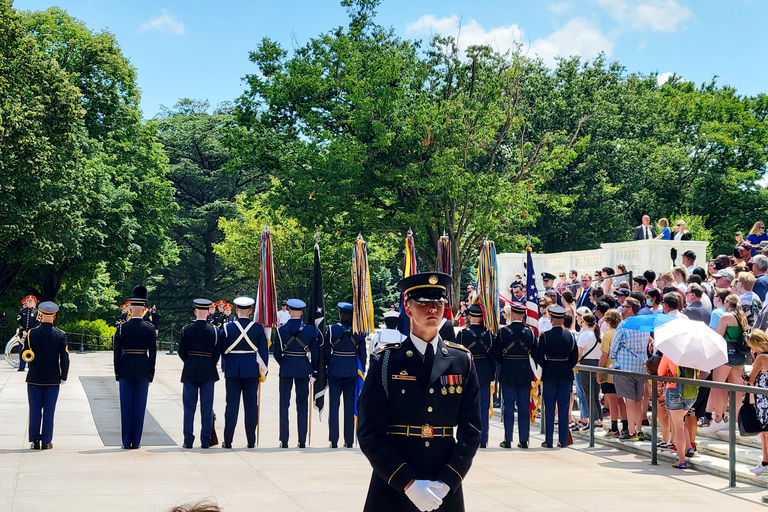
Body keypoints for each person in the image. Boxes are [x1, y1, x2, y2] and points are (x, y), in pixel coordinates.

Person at [357, 272, 481, 512]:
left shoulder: (461, 360)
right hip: (394, 482)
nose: (433, 308)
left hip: (442, 482)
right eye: (423, 302)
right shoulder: (386, 361)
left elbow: (472, 431)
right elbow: (370, 433)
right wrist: (408, 484)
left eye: (439, 302)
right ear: (408, 308)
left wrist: (448, 482)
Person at [220, 296, 268, 449]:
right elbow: (263, 353)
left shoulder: (228, 328)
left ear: (236, 310)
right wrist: (264, 370)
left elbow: (222, 350)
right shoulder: (257, 329)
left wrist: (226, 365)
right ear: (251, 311)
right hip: (251, 370)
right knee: (251, 406)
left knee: (231, 406)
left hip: (233, 369)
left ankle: (228, 440)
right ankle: (251, 441)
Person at [113, 285, 157, 449]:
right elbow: (153, 354)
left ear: (130, 309)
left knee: (126, 407)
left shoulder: (122, 328)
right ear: (144, 309)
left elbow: (117, 353)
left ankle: (126, 441)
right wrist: (151, 373)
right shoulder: (150, 329)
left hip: (126, 368)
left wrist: (117, 373)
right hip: (143, 368)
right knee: (139, 407)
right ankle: (136, 441)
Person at [274, 298, 319, 448]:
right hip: (303, 368)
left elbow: (276, 354)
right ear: (301, 312)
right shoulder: (310, 330)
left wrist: (285, 363)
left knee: (284, 404)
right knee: (302, 405)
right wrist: (313, 369)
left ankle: (284, 440)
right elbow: (315, 353)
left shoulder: (281, 330)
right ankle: (302, 440)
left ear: (289, 311)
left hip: (286, 367)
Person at [25, 301, 69, 450]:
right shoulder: (60, 335)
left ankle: (35, 440)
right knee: (49, 411)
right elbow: (64, 358)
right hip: (52, 378)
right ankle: (46, 441)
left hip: (34, 378)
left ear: (40, 315)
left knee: (35, 409)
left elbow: (26, 354)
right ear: (54, 316)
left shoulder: (31, 333)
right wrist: (64, 375)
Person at [178, 298, 221, 449]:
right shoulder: (215, 331)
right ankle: (205, 440)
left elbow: (181, 352)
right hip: (208, 370)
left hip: (190, 370)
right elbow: (217, 353)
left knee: (189, 407)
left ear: (195, 312)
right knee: (207, 407)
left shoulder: (185, 330)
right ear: (208, 313)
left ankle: (188, 440)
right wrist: (209, 362)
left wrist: (190, 362)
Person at [703, 294, 748, 434]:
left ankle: (718, 419)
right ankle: (735, 421)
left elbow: (719, 336)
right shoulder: (742, 317)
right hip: (740, 355)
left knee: (717, 386)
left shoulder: (725, 317)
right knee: (736, 389)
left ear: (728, 303)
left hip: (726, 354)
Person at [534, 305, 578, 448]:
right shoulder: (570, 336)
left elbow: (539, 357)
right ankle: (563, 440)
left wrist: (548, 365)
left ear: (551, 319)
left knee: (549, 408)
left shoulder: (545, 336)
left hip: (550, 374)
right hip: (565, 373)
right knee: (564, 408)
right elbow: (574, 357)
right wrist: (565, 365)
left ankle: (549, 440)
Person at [325, 302, 367, 449]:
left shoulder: (332, 330)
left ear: (340, 315)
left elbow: (326, 353)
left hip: (335, 368)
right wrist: (361, 371)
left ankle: (333, 440)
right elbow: (362, 355)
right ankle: (349, 440)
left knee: (334, 405)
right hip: (351, 370)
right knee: (350, 405)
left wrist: (326, 367)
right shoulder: (359, 332)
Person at [494, 303, 535, 449]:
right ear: (523, 315)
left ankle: (508, 439)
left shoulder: (503, 332)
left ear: (512, 314)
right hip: (524, 372)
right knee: (524, 406)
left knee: (508, 406)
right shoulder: (530, 332)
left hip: (508, 371)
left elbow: (497, 354)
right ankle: (524, 440)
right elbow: (534, 352)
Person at [609, 297, 650, 441]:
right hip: (641, 367)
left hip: (625, 367)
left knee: (630, 401)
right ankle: (638, 430)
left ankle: (631, 431)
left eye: (624, 306)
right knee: (638, 401)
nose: (621, 308)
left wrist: (614, 357)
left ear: (630, 309)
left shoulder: (623, 325)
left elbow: (613, 348)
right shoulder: (644, 325)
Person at [457, 304, 494, 448]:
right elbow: (492, 358)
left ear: (470, 317)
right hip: (484, 372)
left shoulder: (462, 334)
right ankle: (483, 439)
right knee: (484, 407)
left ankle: (466, 439)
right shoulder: (489, 335)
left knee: (466, 407)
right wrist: (492, 374)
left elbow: (458, 357)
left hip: (467, 370)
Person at [657, 354, 695, 469]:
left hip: (673, 389)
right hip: (691, 390)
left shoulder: (670, 353)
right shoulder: (694, 354)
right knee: (680, 421)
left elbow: (660, 372)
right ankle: (688, 447)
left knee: (678, 425)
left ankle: (682, 460)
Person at [597, 309, 627, 437]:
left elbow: (604, 355)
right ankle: (625, 426)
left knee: (612, 401)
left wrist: (599, 371)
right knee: (621, 401)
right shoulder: (624, 332)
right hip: (621, 369)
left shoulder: (608, 335)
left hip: (609, 371)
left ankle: (614, 427)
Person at [745, 329, 768, 475]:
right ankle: (765, 463)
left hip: (762, 399)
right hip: (764, 397)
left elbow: (750, 379)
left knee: (764, 432)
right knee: (765, 432)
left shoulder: (761, 358)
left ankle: (766, 462)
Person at [576, 313, 602, 429]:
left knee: (588, 393)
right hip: (597, 363)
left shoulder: (584, 335)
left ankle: (593, 420)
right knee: (595, 394)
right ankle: (597, 419)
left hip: (586, 364)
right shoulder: (600, 333)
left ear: (584, 322)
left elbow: (579, 354)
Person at [16, 295, 39, 372]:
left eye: (31, 301)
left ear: (34, 303)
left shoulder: (36, 312)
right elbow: (19, 322)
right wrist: (23, 330)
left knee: (32, 350)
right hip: (23, 335)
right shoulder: (22, 311)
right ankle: (21, 366)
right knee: (21, 349)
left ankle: (31, 366)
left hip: (32, 334)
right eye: (28, 301)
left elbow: (37, 323)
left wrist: (30, 331)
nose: (29, 303)